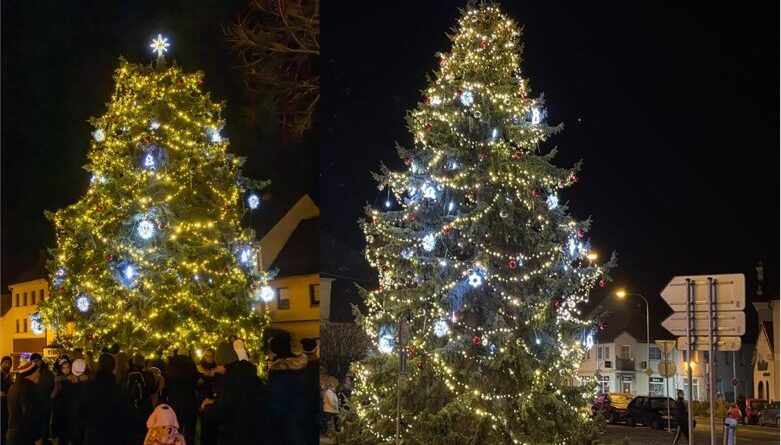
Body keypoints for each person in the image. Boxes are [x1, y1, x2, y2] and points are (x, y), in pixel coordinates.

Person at [201, 340, 263, 445]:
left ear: (223, 363)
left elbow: (223, 408)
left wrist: (207, 407)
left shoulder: (231, 379)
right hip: (252, 430)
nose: (217, 368)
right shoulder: (249, 374)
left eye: (218, 364)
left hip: (235, 432)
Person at [79, 353, 140, 445]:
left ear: (99, 365)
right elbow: (129, 415)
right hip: (114, 436)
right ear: (113, 367)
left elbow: (81, 411)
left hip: (94, 435)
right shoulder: (119, 390)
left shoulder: (89, 387)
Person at [266, 332, 315, 445]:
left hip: (284, 425)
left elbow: (274, 402)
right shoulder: (303, 368)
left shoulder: (278, 372)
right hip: (303, 420)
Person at [165, 349, 198, 445]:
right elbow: (195, 379)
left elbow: (167, 380)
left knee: (175, 429)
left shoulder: (170, 364)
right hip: (189, 400)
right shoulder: (191, 363)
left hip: (174, 400)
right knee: (189, 431)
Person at [7, 360, 44, 445]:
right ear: (30, 374)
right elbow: (30, 415)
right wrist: (37, 437)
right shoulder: (28, 390)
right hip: (25, 436)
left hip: (13, 435)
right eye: (37, 372)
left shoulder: (13, 387)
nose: (39, 374)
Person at [51, 358, 78, 445]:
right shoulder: (59, 380)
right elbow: (53, 397)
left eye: (68, 367)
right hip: (61, 414)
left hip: (71, 415)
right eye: (63, 368)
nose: (66, 369)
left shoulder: (74, 379)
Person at [196, 348, 219, 445]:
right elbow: (196, 384)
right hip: (202, 400)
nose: (209, 358)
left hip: (214, 400)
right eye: (207, 356)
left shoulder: (217, 367)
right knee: (204, 426)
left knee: (213, 426)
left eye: (211, 356)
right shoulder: (199, 367)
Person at [31, 353, 54, 445]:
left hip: (45, 404)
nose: (35, 363)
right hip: (34, 405)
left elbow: (52, 387)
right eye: (33, 361)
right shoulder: (30, 373)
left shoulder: (47, 373)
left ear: (40, 361)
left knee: (44, 427)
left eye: (37, 361)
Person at [2, 355, 14, 441]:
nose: (7, 365)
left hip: (7, 406)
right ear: (1, 364)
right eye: (5, 363)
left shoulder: (9, 377)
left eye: (9, 363)